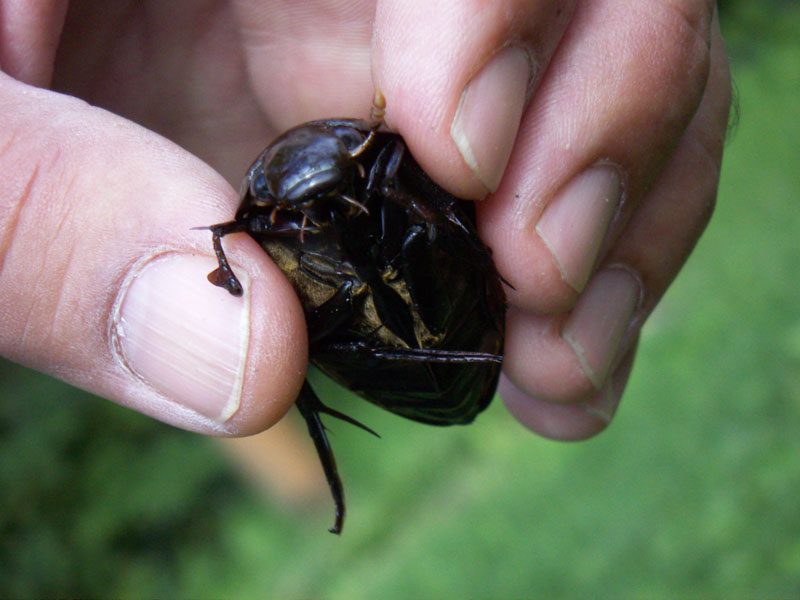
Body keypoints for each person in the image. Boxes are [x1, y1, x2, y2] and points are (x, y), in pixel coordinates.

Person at [0, 1, 731, 441]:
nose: (326, 217)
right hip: (423, 344)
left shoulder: (377, 173)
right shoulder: (272, 223)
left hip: (449, 324)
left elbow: (426, 201)